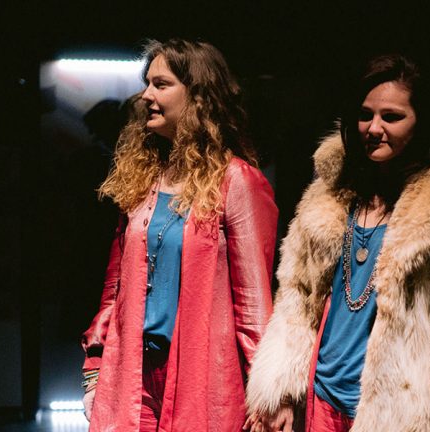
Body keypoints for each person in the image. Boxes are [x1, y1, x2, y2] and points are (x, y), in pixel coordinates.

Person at [244, 54, 430, 432]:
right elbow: (297, 294)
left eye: (392, 117)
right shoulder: (330, 194)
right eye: (366, 115)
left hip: (396, 412)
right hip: (319, 398)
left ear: (422, 123)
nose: (374, 128)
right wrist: (280, 389)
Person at [80, 38, 278, 432]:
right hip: (133, 373)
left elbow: (253, 303)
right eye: (147, 83)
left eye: (161, 84)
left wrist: (267, 395)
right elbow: (115, 287)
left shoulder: (237, 181)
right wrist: (95, 366)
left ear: (199, 96)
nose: (146, 95)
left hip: (201, 380)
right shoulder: (143, 180)